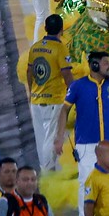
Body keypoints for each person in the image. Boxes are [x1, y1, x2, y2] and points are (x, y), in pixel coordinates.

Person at [61, 51, 109, 216]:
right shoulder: (78, 86)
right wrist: (58, 137)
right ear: (94, 65)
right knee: (86, 182)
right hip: (86, 144)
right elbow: (64, 110)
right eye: (106, 63)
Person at [19, 13, 72, 172]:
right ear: (61, 30)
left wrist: (31, 92)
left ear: (45, 28)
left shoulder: (35, 47)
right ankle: (48, 171)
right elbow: (66, 73)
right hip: (54, 100)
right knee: (51, 137)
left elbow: (29, 72)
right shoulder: (60, 48)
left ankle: (44, 167)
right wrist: (75, 91)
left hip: (36, 99)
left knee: (41, 137)